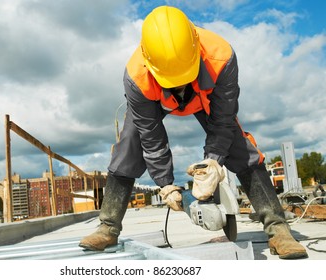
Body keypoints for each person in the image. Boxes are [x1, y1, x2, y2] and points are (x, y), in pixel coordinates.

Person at [79, 5, 308, 259]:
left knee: (240, 147)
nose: (179, 84)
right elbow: (151, 138)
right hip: (155, 100)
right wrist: (165, 185)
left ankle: (278, 229)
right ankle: (108, 227)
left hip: (204, 97)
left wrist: (212, 162)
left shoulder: (221, 57)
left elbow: (223, 120)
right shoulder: (136, 76)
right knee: (129, 145)